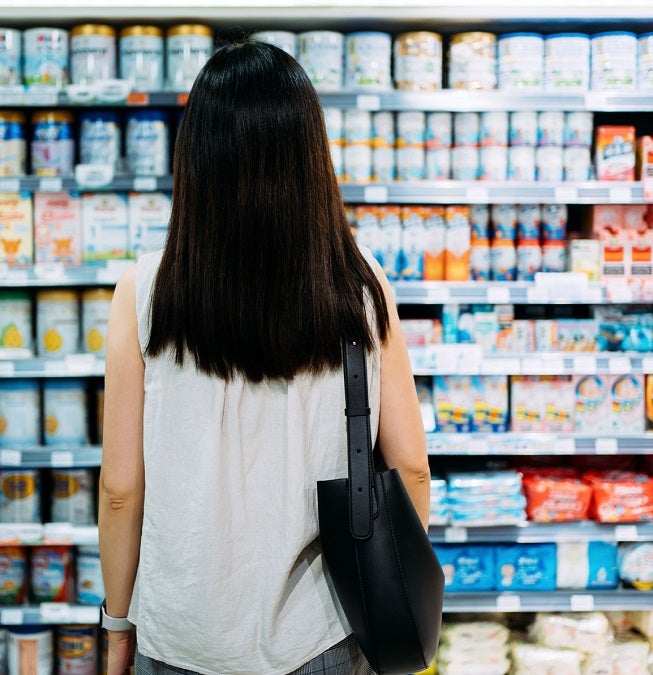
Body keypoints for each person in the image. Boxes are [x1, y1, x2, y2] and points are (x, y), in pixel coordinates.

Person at [98, 40, 430, 675]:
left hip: (180, 636)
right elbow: (410, 468)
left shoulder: (142, 292)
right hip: (321, 633)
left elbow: (120, 490)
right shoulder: (358, 288)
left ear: (194, 156)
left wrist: (117, 625)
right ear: (310, 156)